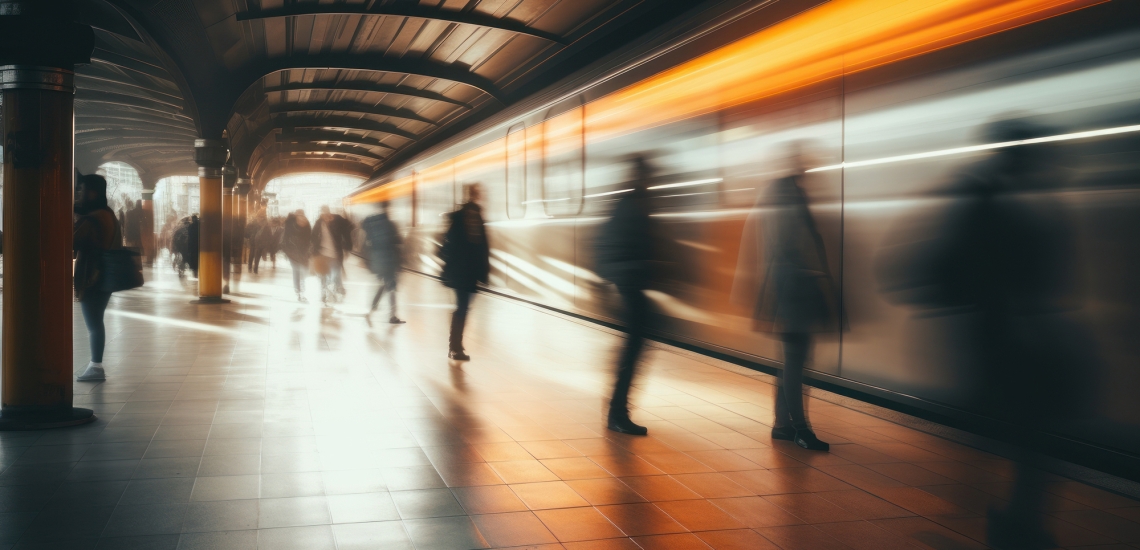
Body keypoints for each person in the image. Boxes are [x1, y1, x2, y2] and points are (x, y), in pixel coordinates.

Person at [734, 144, 838, 451]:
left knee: (792, 359)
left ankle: (782, 424)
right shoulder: (786, 194)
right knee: (796, 359)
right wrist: (812, 273)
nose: (807, 168)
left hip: (789, 290)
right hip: (793, 291)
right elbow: (788, 245)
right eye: (802, 162)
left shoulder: (781, 192)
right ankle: (800, 429)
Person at [594, 156, 656, 436]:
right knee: (632, 349)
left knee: (633, 348)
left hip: (630, 282)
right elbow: (618, 248)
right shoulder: (630, 206)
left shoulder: (631, 204)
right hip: (629, 283)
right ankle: (617, 413)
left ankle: (618, 410)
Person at [73, 174, 122, 382]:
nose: (78, 194)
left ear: (92, 192)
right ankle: (96, 365)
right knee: (96, 321)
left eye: (81, 189)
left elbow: (72, 240)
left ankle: (96, 366)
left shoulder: (94, 218)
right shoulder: (107, 213)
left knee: (93, 323)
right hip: (103, 274)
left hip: (93, 275)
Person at [440, 184, 490, 361]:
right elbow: (480, 247)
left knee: (463, 308)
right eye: (478, 192)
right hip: (463, 271)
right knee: (462, 308)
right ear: (473, 195)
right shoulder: (466, 217)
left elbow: (481, 247)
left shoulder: (474, 216)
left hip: (466, 271)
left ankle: (456, 346)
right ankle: (455, 347)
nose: (480, 195)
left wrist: (483, 272)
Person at [362, 202, 405, 324]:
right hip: (389, 261)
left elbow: (366, 244)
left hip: (378, 261)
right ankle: (392, 316)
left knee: (384, 286)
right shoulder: (390, 224)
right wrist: (400, 262)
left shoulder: (373, 225)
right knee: (390, 287)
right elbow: (397, 242)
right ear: (387, 209)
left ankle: (371, 310)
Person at [311, 205, 351, 304]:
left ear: (329, 212)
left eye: (326, 212)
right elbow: (313, 237)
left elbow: (347, 228)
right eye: (323, 213)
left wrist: (348, 246)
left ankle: (335, 290)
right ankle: (324, 293)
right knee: (323, 276)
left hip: (335, 254)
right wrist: (314, 251)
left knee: (336, 275)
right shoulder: (318, 223)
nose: (325, 215)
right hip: (322, 254)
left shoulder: (337, 220)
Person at [282, 209, 312, 302]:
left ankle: (299, 291)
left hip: (298, 251)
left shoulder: (302, 224)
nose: (300, 217)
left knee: (298, 271)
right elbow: (286, 237)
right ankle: (300, 292)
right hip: (296, 252)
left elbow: (309, 238)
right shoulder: (296, 224)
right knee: (299, 271)